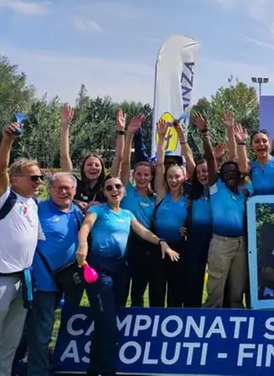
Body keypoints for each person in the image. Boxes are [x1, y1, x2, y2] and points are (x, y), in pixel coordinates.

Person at [75, 176, 179, 376]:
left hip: (121, 270)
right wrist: (83, 243)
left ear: (123, 190)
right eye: (109, 187)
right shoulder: (98, 210)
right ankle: (107, 370)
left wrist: (161, 242)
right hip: (100, 270)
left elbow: (144, 232)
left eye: (118, 186)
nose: (114, 189)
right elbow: (86, 225)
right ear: (104, 192)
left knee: (105, 320)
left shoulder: (127, 214)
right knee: (108, 321)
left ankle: (94, 369)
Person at [0, 122, 42, 376]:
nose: (38, 181)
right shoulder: (4, 197)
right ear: (15, 180)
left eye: (40, 177)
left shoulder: (33, 203)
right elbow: (0, 168)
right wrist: (8, 141)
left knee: (10, 343)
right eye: (33, 177)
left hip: (23, 282)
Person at [25, 173, 84, 376]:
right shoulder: (37, 209)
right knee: (42, 332)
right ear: (50, 189)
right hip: (43, 282)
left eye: (68, 188)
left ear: (75, 191)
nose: (63, 191)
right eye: (58, 187)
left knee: (66, 327)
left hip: (70, 282)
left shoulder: (77, 212)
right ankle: (37, 371)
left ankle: (57, 363)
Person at [204, 122, 249, 308]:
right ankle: (210, 317)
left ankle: (235, 319)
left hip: (241, 243)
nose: (231, 174)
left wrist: (241, 143)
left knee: (237, 288)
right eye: (227, 172)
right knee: (216, 287)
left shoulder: (245, 190)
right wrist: (205, 133)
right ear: (221, 176)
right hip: (220, 242)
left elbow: (244, 167)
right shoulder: (216, 188)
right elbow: (210, 162)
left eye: (234, 172)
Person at [149, 119, 191, 308]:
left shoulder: (188, 199)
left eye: (177, 176)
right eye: (170, 177)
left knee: (177, 290)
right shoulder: (161, 194)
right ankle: (154, 323)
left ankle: (173, 323)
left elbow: (192, 223)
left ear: (184, 177)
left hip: (180, 248)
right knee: (157, 290)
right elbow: (159, 165)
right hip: (159, 247)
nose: (173, 180)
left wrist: (187, 230)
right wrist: (161, 137)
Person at [117, 114, 156, 307]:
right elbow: (124, 162)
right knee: (121, 290)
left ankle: (137, 331)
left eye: (145, 175)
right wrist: (129, 134)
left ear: (151, 177)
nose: (141, 177)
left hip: (145, 248)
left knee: (138, 294)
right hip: (125, 244)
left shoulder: (155, 198)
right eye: (138, 174)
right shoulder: (126, 190)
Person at [59, 105, 123, 212]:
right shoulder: (75, 184)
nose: (93, 167)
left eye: (97, 165)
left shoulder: (108, 185)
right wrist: (65, 126)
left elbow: (119, 158)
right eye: (89, 164)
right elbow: (64, 156)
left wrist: (121, 131)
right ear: (83, 168)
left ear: (102, 168)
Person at [183, 113, 218, 308]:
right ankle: (192, 310)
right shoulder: (192, 190)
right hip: (196, 239)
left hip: (215, 238)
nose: (203, 174)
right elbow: (189, 159)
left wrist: (205, 134)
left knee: (216, 279)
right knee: (194, 279)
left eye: (206, 171)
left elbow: (212, 162)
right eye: (199, 172)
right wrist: (181, 136)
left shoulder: (215, 188)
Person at [226, 110, 274, 195]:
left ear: (269, 144)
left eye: (264, 141)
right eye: (257, 141)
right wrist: (241, 143)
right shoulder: (251, 165)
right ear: (252, 147)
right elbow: (243, 170)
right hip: (258, 208)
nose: (261, 144)